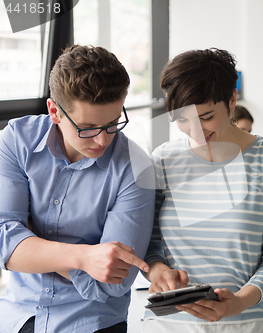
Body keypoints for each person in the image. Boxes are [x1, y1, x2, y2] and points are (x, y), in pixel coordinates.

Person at [0, 45, 155, 333]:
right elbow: (3, 243)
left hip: (93, 323)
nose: (102, 140)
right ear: (54, 111)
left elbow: (113, 283)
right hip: (18, 318)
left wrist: (31, 238)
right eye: (87, 128)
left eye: (112, 124)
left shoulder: (136, 168)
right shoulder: (15, 141)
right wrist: (84, 257)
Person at [142, 48, 263, 333]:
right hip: (169, 325)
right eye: (182, 120)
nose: (195, 131)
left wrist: (237, 302)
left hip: (246, 322)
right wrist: (159, 271)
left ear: (232, 100)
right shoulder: (163, 159)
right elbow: (150, 248)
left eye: (206, 117)